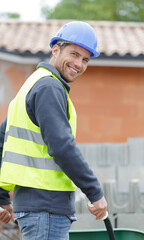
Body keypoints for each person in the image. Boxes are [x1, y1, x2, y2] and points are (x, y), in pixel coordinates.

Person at [0, 21, 107, 239]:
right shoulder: (49, 87)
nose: (79, 64)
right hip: (46, 210)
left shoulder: (31, 85)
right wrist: (95, 192)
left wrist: (2, 197)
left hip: (35, 210)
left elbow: (3, 141)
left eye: (85, 59)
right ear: (55, 49)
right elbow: (61, 146)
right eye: (74, 54)